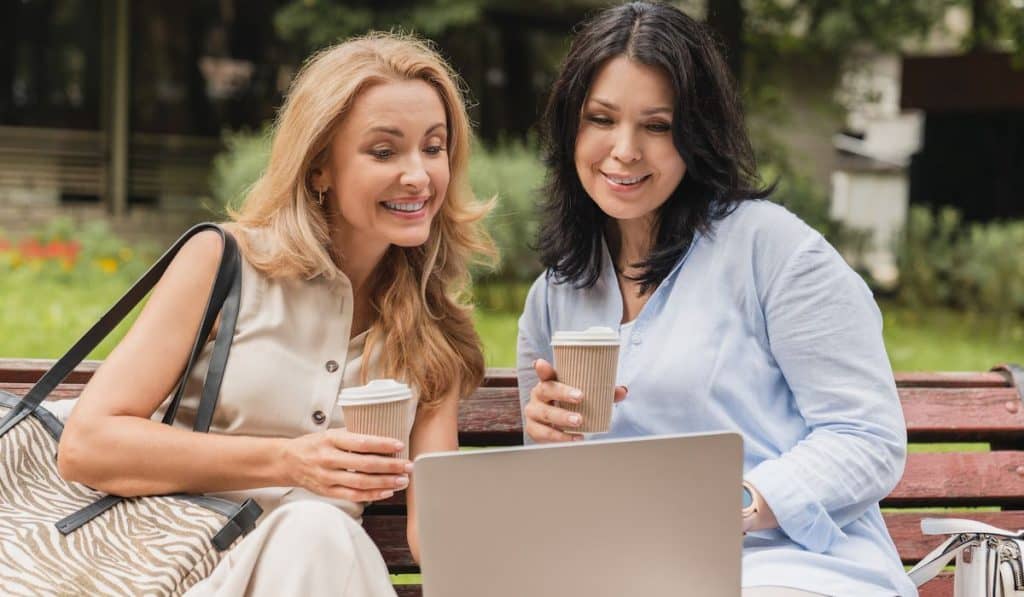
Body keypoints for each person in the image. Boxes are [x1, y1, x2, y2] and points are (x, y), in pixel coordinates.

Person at [56, 32, 493, 596]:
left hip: (329, 573)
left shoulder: (434, 325)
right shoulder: (225, 263)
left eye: (433, 148)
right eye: (384, 152)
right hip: (188, 574)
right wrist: (290, 462)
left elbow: (438, 534)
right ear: (319, 169)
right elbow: (87, 444)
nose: (418, 175)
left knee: (320, 534)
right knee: (315, 528)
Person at [516, 3, 915, 596]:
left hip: (789, 566)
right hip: (627, 573)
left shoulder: (776, 253)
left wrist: (744, 504)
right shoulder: (556, 293)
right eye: (601, 118)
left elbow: (866, 438)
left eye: (656, 126)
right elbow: (558, 493)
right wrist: (545, 441)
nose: (624, 150)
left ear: (696, 132)